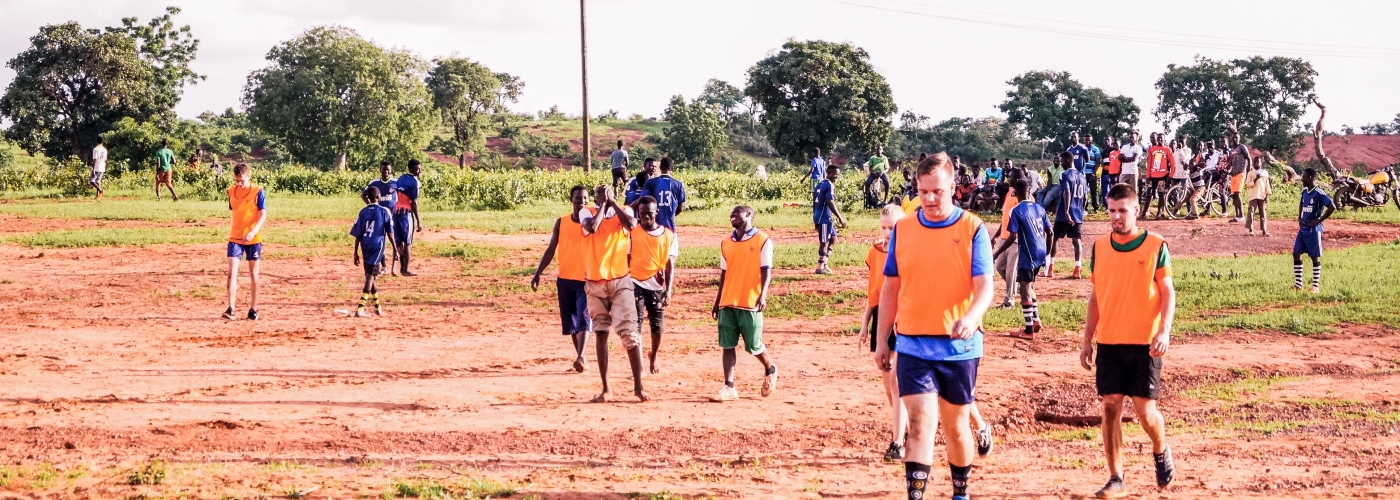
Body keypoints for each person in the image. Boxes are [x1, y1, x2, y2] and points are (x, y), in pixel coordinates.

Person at [874, 153, 994, 500]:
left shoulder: (972, 228)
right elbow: (891, 287)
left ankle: (961, 493)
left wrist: (971, 318)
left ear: (953, 189)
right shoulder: (904, 228)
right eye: (922, 191)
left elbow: (985, 286)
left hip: (959, 348)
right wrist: (884, 340)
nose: (928, 199)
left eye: (936, 192)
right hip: (912, 344)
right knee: (921, 424)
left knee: (956, 429)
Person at [1080, 183, 1176, 498]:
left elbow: (1167, 292)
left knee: (1145, 411)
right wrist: (1087, 340)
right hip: (1109, 342)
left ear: (1136, 210)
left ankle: (1160, 448)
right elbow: (1095, 296)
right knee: (1110, 407)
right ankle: (1115, 477)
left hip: (1145, 343)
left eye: (1123, 211)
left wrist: (1164, 330)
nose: (1117, 217)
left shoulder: (1155, 244)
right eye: (1112, 211)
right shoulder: (1100, 247)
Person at [581, 185, 647, 402]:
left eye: (609, 192)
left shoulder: (625, 212)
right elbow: (592, 227)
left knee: (630, 333)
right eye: (602, 193)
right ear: (596, 197)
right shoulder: (587, 212)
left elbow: (631, 224)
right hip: (594, 282)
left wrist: (613, 203)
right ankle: (606, 388)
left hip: (620, 281)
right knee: (601, 332)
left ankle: (638, 386)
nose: (606, 195)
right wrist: (603, 205)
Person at [710, 205, 779, 402]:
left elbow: (766, 270)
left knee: (754, 345)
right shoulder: (725, 242)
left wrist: (763, 294)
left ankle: (770, 368)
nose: (732, 215)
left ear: (748, 216)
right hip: (728, 301)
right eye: (730, 213)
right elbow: (723, 274)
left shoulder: (762, 240)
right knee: (727, 345)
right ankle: (729, 386)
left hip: (750, 301)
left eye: (737, 213)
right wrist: (718, 301)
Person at [860, 204, 909, 460]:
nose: (888, 232)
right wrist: (864, 323)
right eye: (884, 227)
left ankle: (897, 441)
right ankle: (905, 428)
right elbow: (874, 293)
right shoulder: (875, 251)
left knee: (896, 381)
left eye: (893, 227)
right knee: (887, 380)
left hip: (907, 318)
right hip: (882, 317)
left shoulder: (907, 251)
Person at [530, 185, 594, 373]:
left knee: (584, 317)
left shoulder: (591, 224)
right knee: (571, 322)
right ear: (571, 199)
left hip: (586, 278)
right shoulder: (562, 222)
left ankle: (582, 355)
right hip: (565, 278)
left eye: (585, 198)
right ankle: (580, 358)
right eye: (578, 197)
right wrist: (537, 272)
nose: (582, 201)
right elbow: (550, 249)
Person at [997, 178, 1051, 341]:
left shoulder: (1016, 210)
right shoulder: (1039, 207)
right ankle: (1035, 321)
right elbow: (1051, 232)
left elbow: (1012, 236)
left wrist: (997, 252)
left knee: (1025, 291)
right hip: (1041, 252)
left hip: (1028, 253)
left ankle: (1028, 330)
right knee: (1028, 286)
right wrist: (1047, 252)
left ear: (1015, 192)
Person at [630, 195, 678, 375]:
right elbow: (626, 257)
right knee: (636, 324)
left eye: (649, 214)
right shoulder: (632, 232)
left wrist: (669, 289)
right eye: (642, 214)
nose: (646, 218)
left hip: (656, 285)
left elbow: (669, 265)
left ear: (656, 212)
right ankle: (639, 364)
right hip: (635, 282)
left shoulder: (668, 235)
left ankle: (654, 355)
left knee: (657, 326)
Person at [223, 162, 266, 321]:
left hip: (253, 238)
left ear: (248, 176)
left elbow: (263, 215)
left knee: (253, 273)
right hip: (235, 237)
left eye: (241, 180)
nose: (239, 183)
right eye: (236, 180)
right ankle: (230, 308)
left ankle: (253, 309)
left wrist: (253, 232)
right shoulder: (231, 191)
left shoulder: (258, 191)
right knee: (232, 271)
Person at [351, 186, 394, 318]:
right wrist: (396, 249)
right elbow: (390, 232)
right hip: (377, 246)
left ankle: (377, 307)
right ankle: (360, 308)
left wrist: (355, 252)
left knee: (370, 276)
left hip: (365, 245)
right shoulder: (384, 211)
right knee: (370, 276)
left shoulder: (362, 211)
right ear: (378, 197)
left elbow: (358, 233)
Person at [1293, 168, 1335, 293]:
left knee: (1315, 257)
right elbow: (1301, 203)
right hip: (1304, 228)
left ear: (1310, 178)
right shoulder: (1305, 191)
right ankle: (1298, 284)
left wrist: (1319, 220)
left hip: (1314, 229)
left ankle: (1315, 286)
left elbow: (1332, 206)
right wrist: (1299, 217)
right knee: (1296, 253)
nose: (1302, 179)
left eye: (1304, 177)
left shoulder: (1319, 193)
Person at [1051, 151, 1088, 279]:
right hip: (1077, 213)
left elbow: (1066, 192)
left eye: (1062, 161)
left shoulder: (1064, 174)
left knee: (1054, 237)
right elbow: (1085, 197)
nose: (1061, 164)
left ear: (1067, 160)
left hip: (1064, 212)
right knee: (1076, 241)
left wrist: (1066, 212)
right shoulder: (1082, 176)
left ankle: (1049, 268)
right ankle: (1077, 269)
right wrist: (1082, 210)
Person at [993, 169, 1022, 308]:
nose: (1008, 179)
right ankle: (1022, 287)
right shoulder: (1009, 194)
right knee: (1000, 267)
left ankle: (1009, 301)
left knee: (1011, 271)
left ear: (1016, 179)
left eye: (1010, 177)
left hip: (1015, 239)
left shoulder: (1023, 197)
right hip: (1004, 237)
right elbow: (1004, 218)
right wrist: (996, 235)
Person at [813, 164, 848, 275]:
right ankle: (819, 268)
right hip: (824, 217)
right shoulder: (829, 185)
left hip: (820, 216)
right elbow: (830, 202)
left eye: (838, 174)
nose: (837, 176)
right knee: (824, 242)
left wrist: (815, 218)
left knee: (833, 239)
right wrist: (840, 217)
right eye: (835, 174)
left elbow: (814, 202)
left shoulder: (820, 184)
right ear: (829, 174)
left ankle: (824, 263)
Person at [367, 161, 398, 274]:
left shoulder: (396, 182)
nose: (386, 172)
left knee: (395, 240)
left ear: (391, 170)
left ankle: (394, 266)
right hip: (379, 217)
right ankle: (384, 266)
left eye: (388, 170)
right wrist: (370, 206)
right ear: (380, 170)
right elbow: (363, 194)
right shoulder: (374, 183)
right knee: (381, 240)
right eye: (384, 169)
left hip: (393, 217)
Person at [394, 159, 423, 276]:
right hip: (406, 213)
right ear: (411, 168)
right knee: (408, 242)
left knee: (399, 241)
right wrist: (419, 221)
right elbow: (413, 203)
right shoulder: (414, 182)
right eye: (417, 168)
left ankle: (401, 268)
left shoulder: (401, 178)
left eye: (420, 168)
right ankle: (406, 269)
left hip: (396, 211)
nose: (419, 170)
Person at [641, 157, 686, 231]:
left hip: (654, 226)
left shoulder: (650, 182)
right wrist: (671, 215)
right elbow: (681, 208)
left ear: (660, 167)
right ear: (672, 168)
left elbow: (644, 200)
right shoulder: (678, 184)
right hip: (670, 226)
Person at [1141, 133, 1176, 220]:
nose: (1159, 140)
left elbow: (1173, 164)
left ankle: (1159, 213)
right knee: (1148, 194)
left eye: (1161, 139)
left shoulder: (1168, 149)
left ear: (1164, 139)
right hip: (1152, 176)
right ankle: (1144, 213)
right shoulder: (1152, 149)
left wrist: (1171, 175)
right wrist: (1147, 176)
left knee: (1161, 194)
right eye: (1158, 139)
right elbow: (1149, 164)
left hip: (1163, 176)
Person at [1225, 130, 1251, 222]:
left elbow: (1248, 158)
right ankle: (1237, 215)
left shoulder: (1242, 147)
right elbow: (1230, 163)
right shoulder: (1231, 150)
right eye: (1233, 137)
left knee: (1237, 194)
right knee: (1233, 196)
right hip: (1233, 174)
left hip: (1241, 172)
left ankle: (1242, 215)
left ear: (1239, 138)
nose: (1235, 139)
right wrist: (1228, 170)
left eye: (1236, 137)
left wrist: (1248, 171)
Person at [1245, 157, 1273, 237]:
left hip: (1262, 195)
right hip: (1253, 195)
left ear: (1261, 163)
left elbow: (1267, 185)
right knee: (1251, 212)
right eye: (1254, 162)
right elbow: (1248, 184)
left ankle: (1264, 230)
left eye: (1258, 162)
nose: (1256, 164)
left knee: (1263, 213)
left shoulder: (1264, 173)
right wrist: (1256, 179)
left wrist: (1267, 195)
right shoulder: (1250, 173)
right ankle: (1250, 230)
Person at [1038, 143, 1067, 214]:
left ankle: (1040, 210)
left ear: (1060, 159)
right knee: (1040, 192)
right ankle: (1039, 207)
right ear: (1052, 159)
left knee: (1049, 195)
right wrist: (1047, 188)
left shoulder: (1063, 167)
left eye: (1058, 158)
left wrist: (1049, 191)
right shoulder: (1050, 168)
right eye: (1055, 158)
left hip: (1059, 185)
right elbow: (1049, 180)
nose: (1056, 160)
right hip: (1053, 184)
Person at [1101, 138, 1122, 209]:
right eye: (1105, 140)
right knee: (1111, 191)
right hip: (1109, 174)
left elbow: (1120, 164)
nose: (1106, 141)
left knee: (1118, 190)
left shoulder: (1120, 151)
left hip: (1117, 174)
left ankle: (1119, 206)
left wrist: (1119, 173)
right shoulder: (1108, 152)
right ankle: (1110, 206)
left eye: (1108, 140)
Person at [1084, 134, 1102, 211]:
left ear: (1091, 140)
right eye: (1086, 140)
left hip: (1092, 173)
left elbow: (1098, 162)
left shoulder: (1095, 149)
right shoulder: (1082, 148)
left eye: (1089, 140)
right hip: (1083, 174)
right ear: (1084, 140)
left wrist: (1094, 173)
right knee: (1084, 191)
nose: (1087, 141)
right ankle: (1085, 208)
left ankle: (1096, 208)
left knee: (1094, 191)